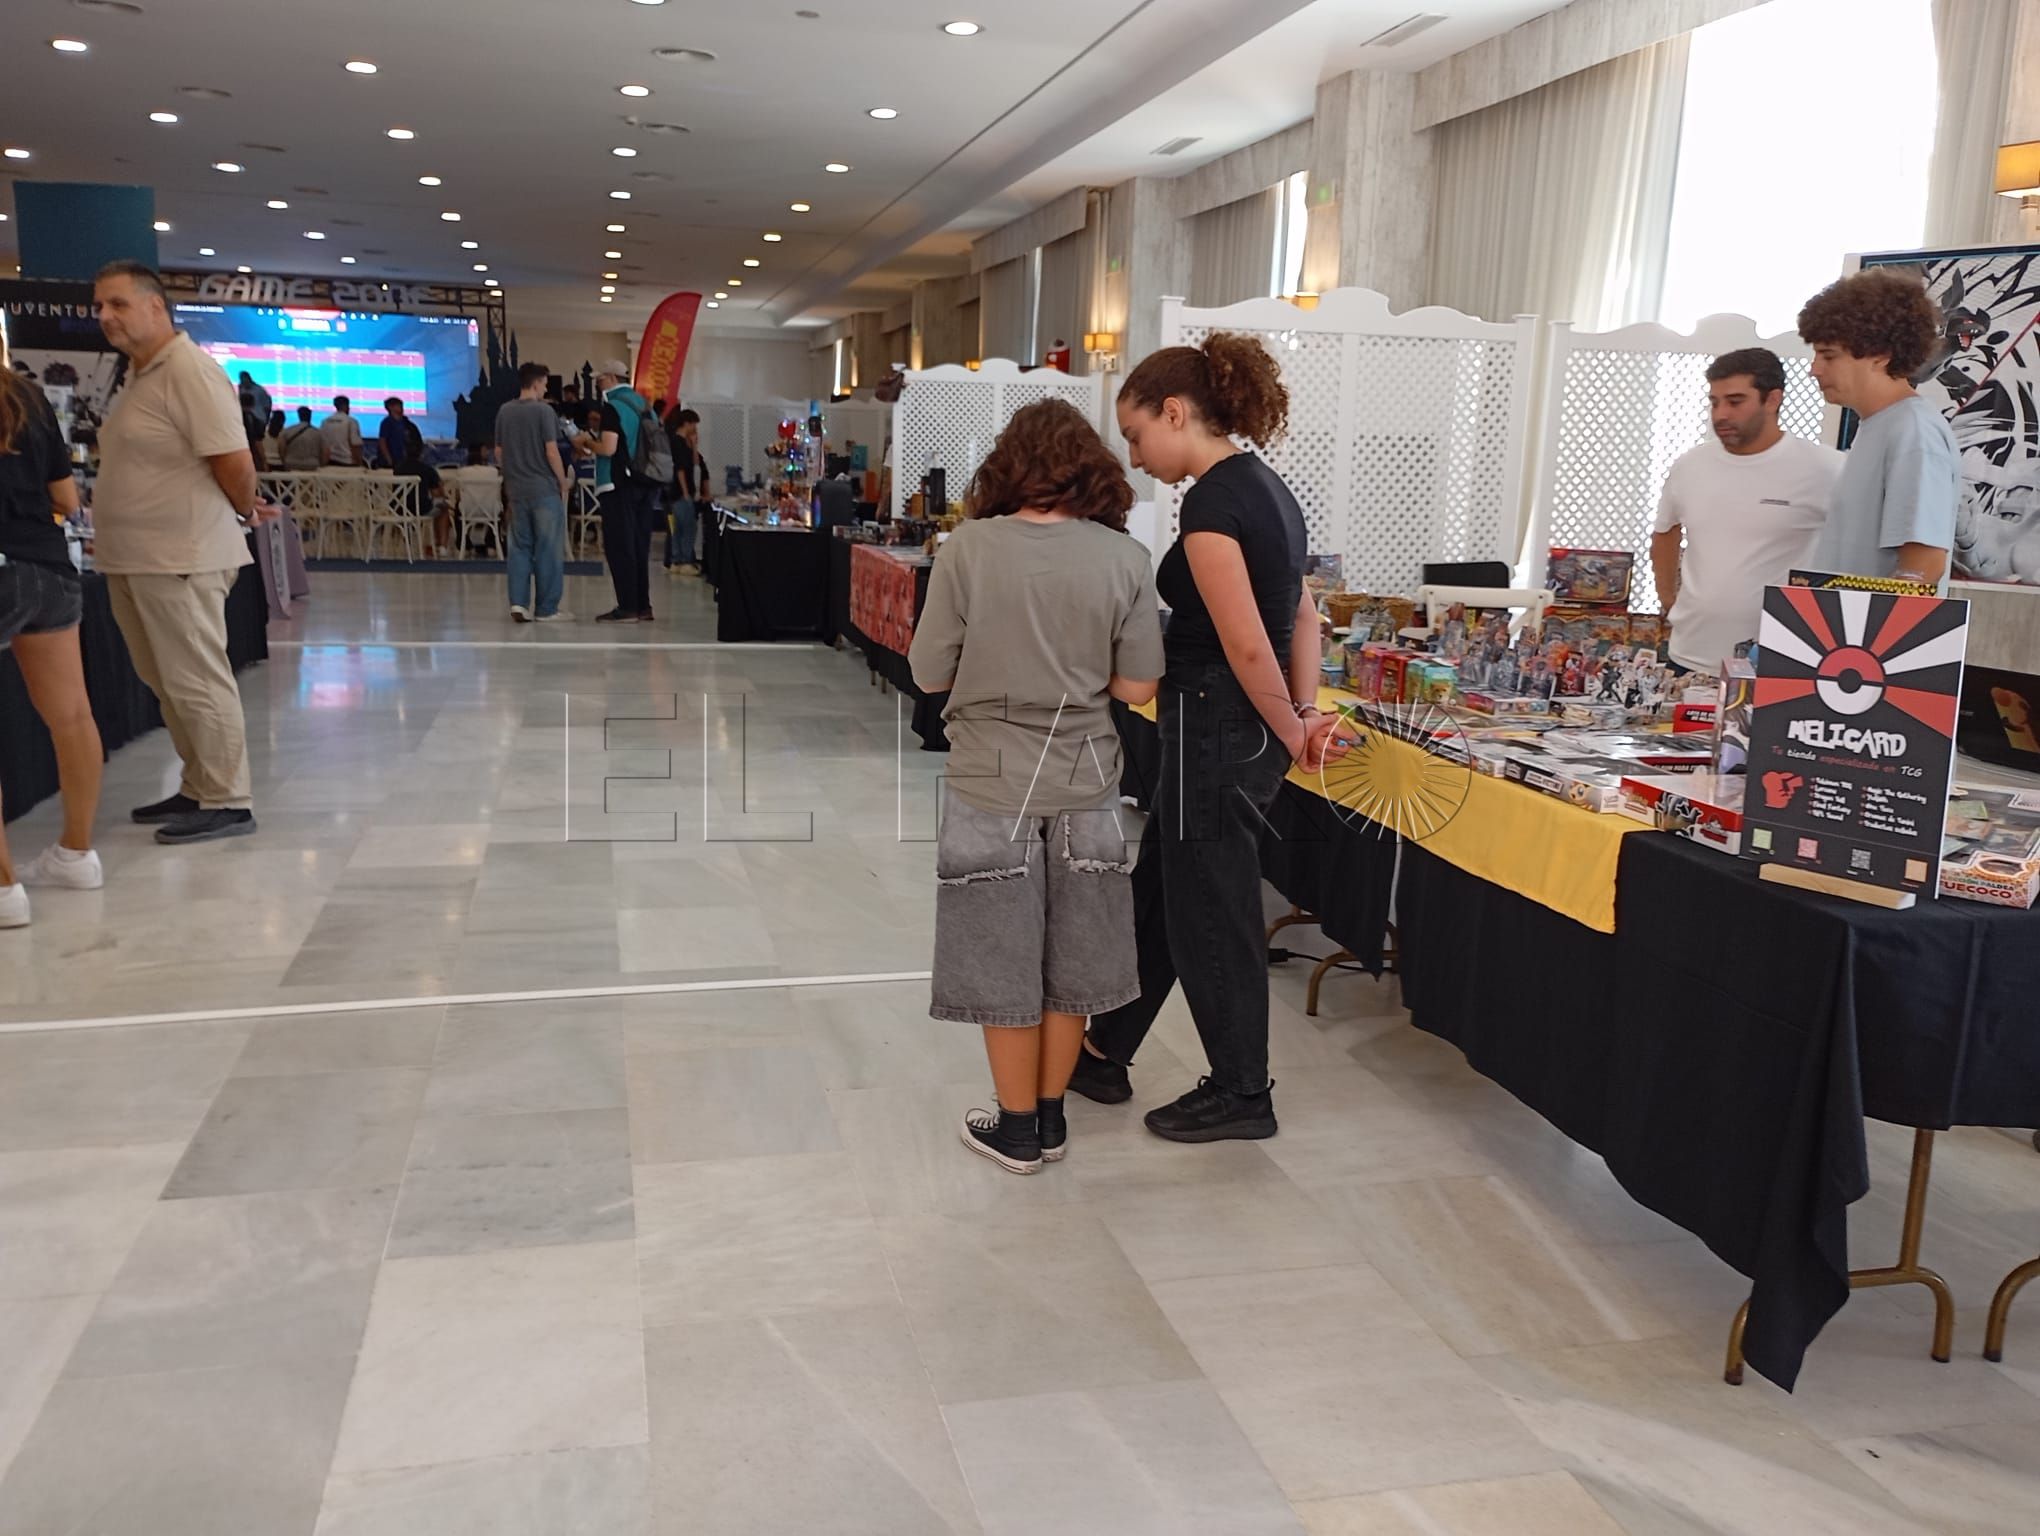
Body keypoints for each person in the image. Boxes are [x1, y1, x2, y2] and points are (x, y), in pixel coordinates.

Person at [1069, 334, 1338, 1142]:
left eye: (1136, 434)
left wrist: (1296, 729)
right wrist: (1301, 714)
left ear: (1175, 412)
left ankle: (1242, 1091)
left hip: (1219, 726)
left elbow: (1248, 643)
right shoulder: (1268, 491)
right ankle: (1106, 1050)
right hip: (1234, 725)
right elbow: (1303, 618)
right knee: (1163, 891)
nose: (1135, 455)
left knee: (1212, 910)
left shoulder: (1214, 504)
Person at [907, 398, 1165, 1173]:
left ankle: (1015, 1128)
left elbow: (927, 672)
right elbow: (1137, 688)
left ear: (1006, 467)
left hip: (990, 779)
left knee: (1001, 956)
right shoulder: (1125, 559)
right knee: (1072, 961)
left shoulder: (966, 550)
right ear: (1094, 470)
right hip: (1088, 780)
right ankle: (1051, 1120)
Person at [91, 260, 272, 844]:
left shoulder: (190, 371)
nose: (105, 316)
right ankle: (199, 784)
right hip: (136, 557)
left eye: (118, 304)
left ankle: (228, 799)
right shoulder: (139, 375)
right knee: (165, 680)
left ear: (155, 307)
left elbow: (234, 461)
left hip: (181, 557)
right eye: (100, 306)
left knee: (196, 678)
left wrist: (244, 511)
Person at [1649, 348, 1840, 673]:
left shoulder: (1827, 468)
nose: (1721, 414)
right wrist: (1669, 600)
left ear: (1773, 399)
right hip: (1688, 658)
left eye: (1735, 402)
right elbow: (1665, 531)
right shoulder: (1690, 465)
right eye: (1714, 402)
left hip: (1780, 667)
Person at [0, 368, 104, 928]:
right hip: (47, 568)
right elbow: (65, 496)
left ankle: (3, 888)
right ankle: (76, 854)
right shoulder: (27, 396)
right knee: (72, 716)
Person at [1798, 270, 1961, 590]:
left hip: (1858, 625)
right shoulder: (1881, 424)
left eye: (1829, 356)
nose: (1814, 370)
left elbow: (1922, 568)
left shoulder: (1913, 432)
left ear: (1880, 356)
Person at [495, 360, 573, 622]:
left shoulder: (504, 411)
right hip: (543, 489)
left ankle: (518, 603)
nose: (546, 389)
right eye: (545, 384)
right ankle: (546, 608)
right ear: (537, 383)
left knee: (519, 547)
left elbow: (499, 452)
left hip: (516, 490)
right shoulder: (544, 411)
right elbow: (551, 451)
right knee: (548, 548)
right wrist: (562, 480)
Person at [583, 359, 658, 622]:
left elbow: (608, 448)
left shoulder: (613, 407)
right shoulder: (645, 405)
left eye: (600, 379)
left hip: (619, 485)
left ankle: (627, 607)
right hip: (646, 483)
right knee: (639, 545)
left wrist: (587, 443)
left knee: (620, 545)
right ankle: (643, 605)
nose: (598, 384)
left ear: (612, 379)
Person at [665, 406, 708, 572]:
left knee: (678, 527)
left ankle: (677, 560)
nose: (695, 428)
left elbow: (696, 463)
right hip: (680, 492)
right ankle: (684, 560)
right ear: (687, 423)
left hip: (681, 492)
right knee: (687, 527)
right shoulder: (677, 443)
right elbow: (680, 470)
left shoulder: (684, 444)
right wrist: (685, 492)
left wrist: (694, 445)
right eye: (694, 424)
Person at [320, 394, 365, 467]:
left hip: (329, 462)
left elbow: (322, 444)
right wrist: (359, 463)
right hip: (347, 462)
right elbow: (355, 445)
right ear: (346, 406)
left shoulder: (325, 422)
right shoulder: (351, 421)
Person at [279, 405, 326, 470]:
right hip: (312, 465)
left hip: (291, 464)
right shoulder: (318, 433)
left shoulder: (287, 431)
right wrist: (321, 465)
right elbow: (325, 452)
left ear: (299, 416)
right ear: (310, 416)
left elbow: (281, 449)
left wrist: (284, 462)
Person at [377, 396, 410, 471]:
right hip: (392, 458)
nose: (401, 408)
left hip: (402, 458)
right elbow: (382, 441)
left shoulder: (404, 421)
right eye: (398, 406)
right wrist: (388, 458)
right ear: (390, 407)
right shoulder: (387, 422)